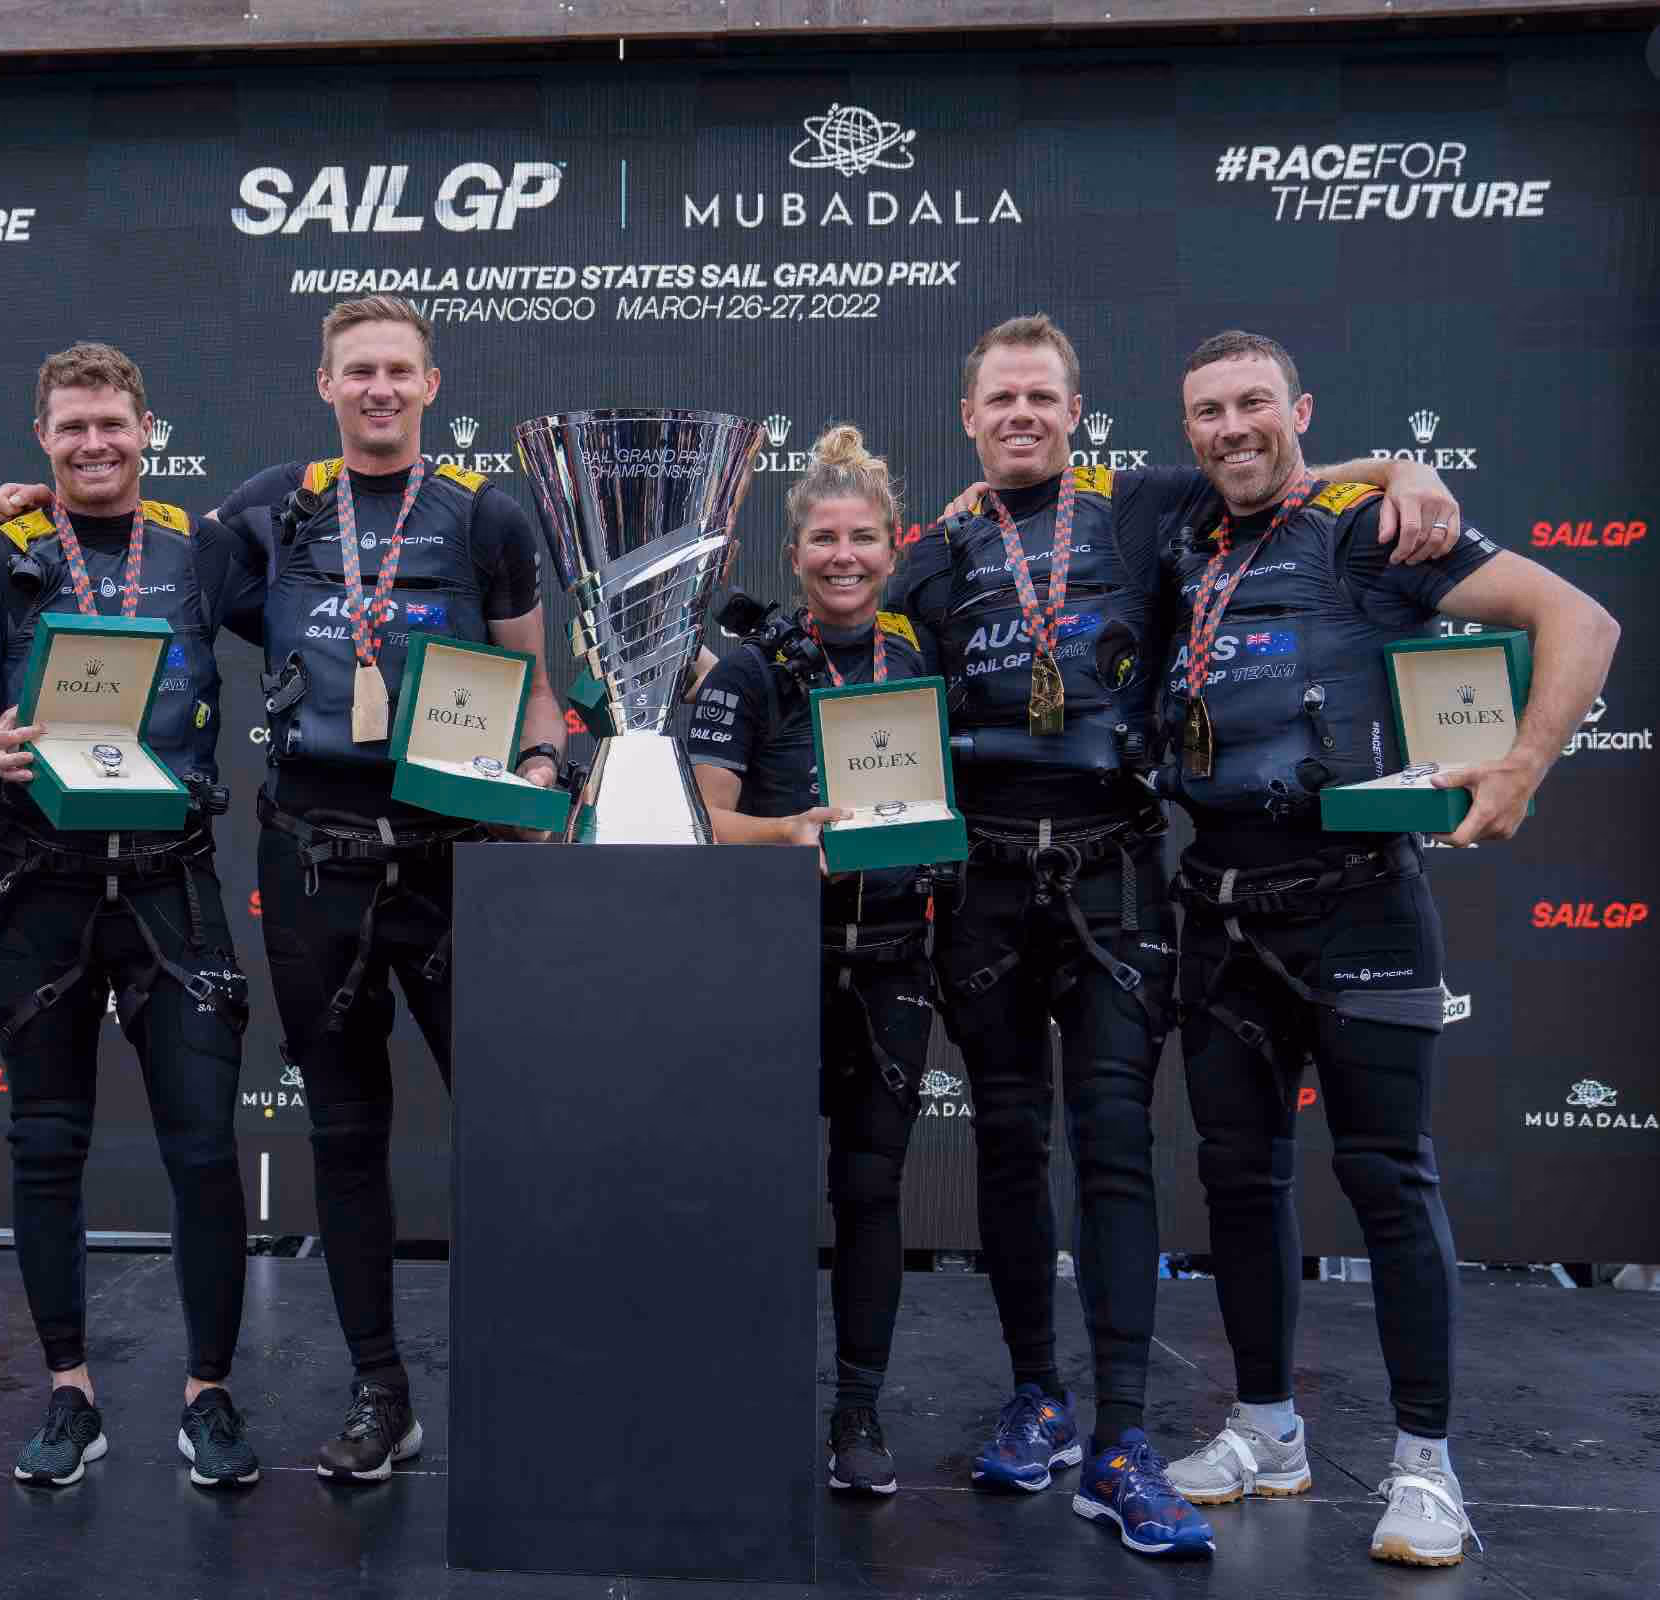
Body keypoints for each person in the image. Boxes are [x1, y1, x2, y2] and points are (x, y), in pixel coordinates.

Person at [888, 314, 1461, 1558]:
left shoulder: (1143, 507)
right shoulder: (932, 555)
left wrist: (1401, 473)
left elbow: (1279, 468)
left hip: (1115, 886)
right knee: (1002, 1147)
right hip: (983, 893)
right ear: (969, 418)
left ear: (1076, 411)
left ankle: (1123, 1436)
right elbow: (872, 688)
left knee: (1111, 1148)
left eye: (1042, 394)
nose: (1021, 414)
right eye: (1000, 399)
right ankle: (1036, 1398)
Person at [1154, 330, 1616, 1568]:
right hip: (1218, 906)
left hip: (1360, 898)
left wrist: (1521, 764)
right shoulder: (1178, 537)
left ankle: (1425, 1468)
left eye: (1254, 404)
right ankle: (1265, 1431)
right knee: (1238, 1183)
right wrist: (1387, 457)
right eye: (1208, 411)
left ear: (1294, 406)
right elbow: (1271, 472)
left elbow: (1578, 614)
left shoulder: (1370, 533)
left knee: (1385, 1179)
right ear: (1185, 428)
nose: (1231, 427)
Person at [188, 295, 564, 1478]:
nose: (379, 390)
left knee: (502, 1131)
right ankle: (378, 1392)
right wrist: (31, 509)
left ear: (431, 384)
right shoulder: (268, 510)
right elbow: (141, 562)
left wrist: (547, 764)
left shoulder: (483, 515)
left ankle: (522, 1387)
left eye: (398, 370)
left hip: (459, 865)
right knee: (346, 1137)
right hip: (313, 862)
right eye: (358, 371)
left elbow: (536, 683)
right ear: (324, 385)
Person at [0, 343, 264, 1490]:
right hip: (42, 886)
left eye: (112, 425)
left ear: (146, 429)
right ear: (42, 436)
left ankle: (206, 1395)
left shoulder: (204, 548)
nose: (93, 445)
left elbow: (320, 583)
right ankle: (69, 1391)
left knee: (202, 1149)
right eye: (71, 427)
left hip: (174, 885)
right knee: (44, 1149)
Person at [686, 425, 935, 1496]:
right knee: (757, 1190)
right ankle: (740, 1400)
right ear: (793, 557)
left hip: (892, 961)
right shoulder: (749, 668)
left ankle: (857, 1413)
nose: (844, 556)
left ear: (893, 546)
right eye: (823, 540)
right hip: (767, 963)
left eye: (863, 539)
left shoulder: (919, 660)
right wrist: (790, 836)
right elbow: (700, 824)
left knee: (869, 1192)